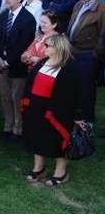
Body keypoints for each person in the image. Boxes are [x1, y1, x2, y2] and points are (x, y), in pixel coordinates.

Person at [22, 33, 83, 186]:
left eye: (48, 46)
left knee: (57, 141)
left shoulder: (69, 68)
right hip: (35, 108)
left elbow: (71, 95)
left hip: (55, 112)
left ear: (58, 48)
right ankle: (38, 168)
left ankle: (60, 172)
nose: (44, 47)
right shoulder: (42, 62)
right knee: (36, 138)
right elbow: (30, 83)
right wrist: (27, 102)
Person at [0, 0, 37, 140]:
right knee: (5, 96)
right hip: (1, 65)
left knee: (16, 97)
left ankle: (18, 128)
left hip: (17, 67)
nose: (6, 0)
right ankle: (8, 125)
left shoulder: (28, 19)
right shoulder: (4, 16)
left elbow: (23, 45)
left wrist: (7, 61)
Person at [65, 0, 105, 123]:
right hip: (72, 52)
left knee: (86, 90)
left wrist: (96, 54)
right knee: (74, 88)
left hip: (88, 55)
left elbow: (103, 34)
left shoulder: (101, 9)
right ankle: (76, 117)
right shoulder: (79, 4)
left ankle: (87, 121)